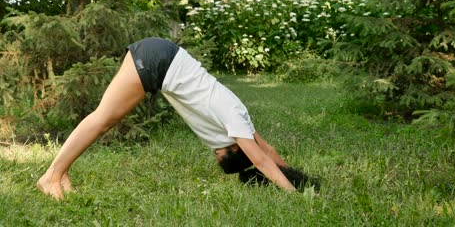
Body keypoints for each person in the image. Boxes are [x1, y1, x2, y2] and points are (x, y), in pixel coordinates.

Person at [37, 37, 318, 199]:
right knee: (103, 119)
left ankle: (60, 173)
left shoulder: (240, 123)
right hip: (158, 61)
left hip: (163, 58)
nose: (215, 152)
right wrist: (293, 195)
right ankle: (51, 176)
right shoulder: (235, 123)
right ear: (234, 149)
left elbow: (268, 152)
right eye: (219, 155)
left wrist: (297, 178)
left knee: (103, 119)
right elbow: (261, 159)